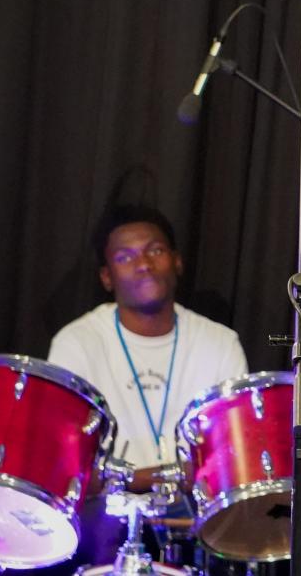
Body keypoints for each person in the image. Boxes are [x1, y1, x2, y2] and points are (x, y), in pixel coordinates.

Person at [47, 204, 248, 567]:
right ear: (107, 277)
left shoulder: (220, 343)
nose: (143, 264)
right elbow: (67, 473)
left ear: (177, 262)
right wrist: (153, 478)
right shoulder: (76, 342)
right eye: (125, 257)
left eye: (155, 250)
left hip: (192, 516)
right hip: (104, 518)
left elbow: (228, 463)